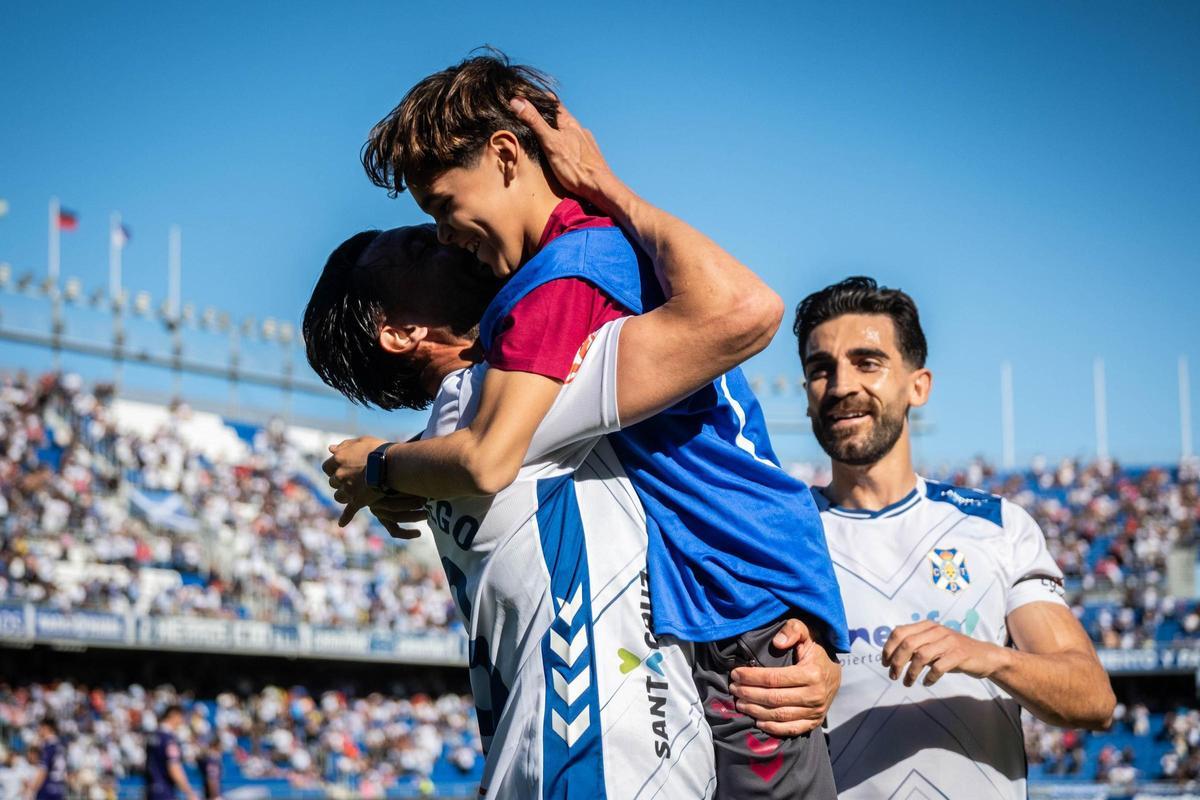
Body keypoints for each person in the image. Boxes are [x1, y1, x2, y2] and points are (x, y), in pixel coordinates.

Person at [332, 52, 847, 798]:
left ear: (505, 155)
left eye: (442, 208)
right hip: (715, 597)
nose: (442, 235)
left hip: (738, 596)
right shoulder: (567, 274)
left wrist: (380, 467)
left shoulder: (566, 272)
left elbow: (488, 452)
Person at [777, 276, 1115, 798]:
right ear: (806, 395)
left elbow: (1094, 699)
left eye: (868, 363)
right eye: (821, 369)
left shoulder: (996, 526)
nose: (842, 385)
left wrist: (990, 656)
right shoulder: (780, 539)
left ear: (919, 385)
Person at [145, 705, 197, 800]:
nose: (181, 721)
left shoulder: (153, 736)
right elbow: (174, 767)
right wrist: (189, 792)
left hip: (151, 789)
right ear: (173, 715)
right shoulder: (168, 739)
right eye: (180, 717)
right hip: (164, 791)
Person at [28, 718, 66, 800]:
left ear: (46, 728)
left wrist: (32, 790)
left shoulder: (48, 745)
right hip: (59, 788)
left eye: (40, 727)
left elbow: (43, 770)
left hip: (47, 789)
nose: (38, 730)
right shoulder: (60, 745)